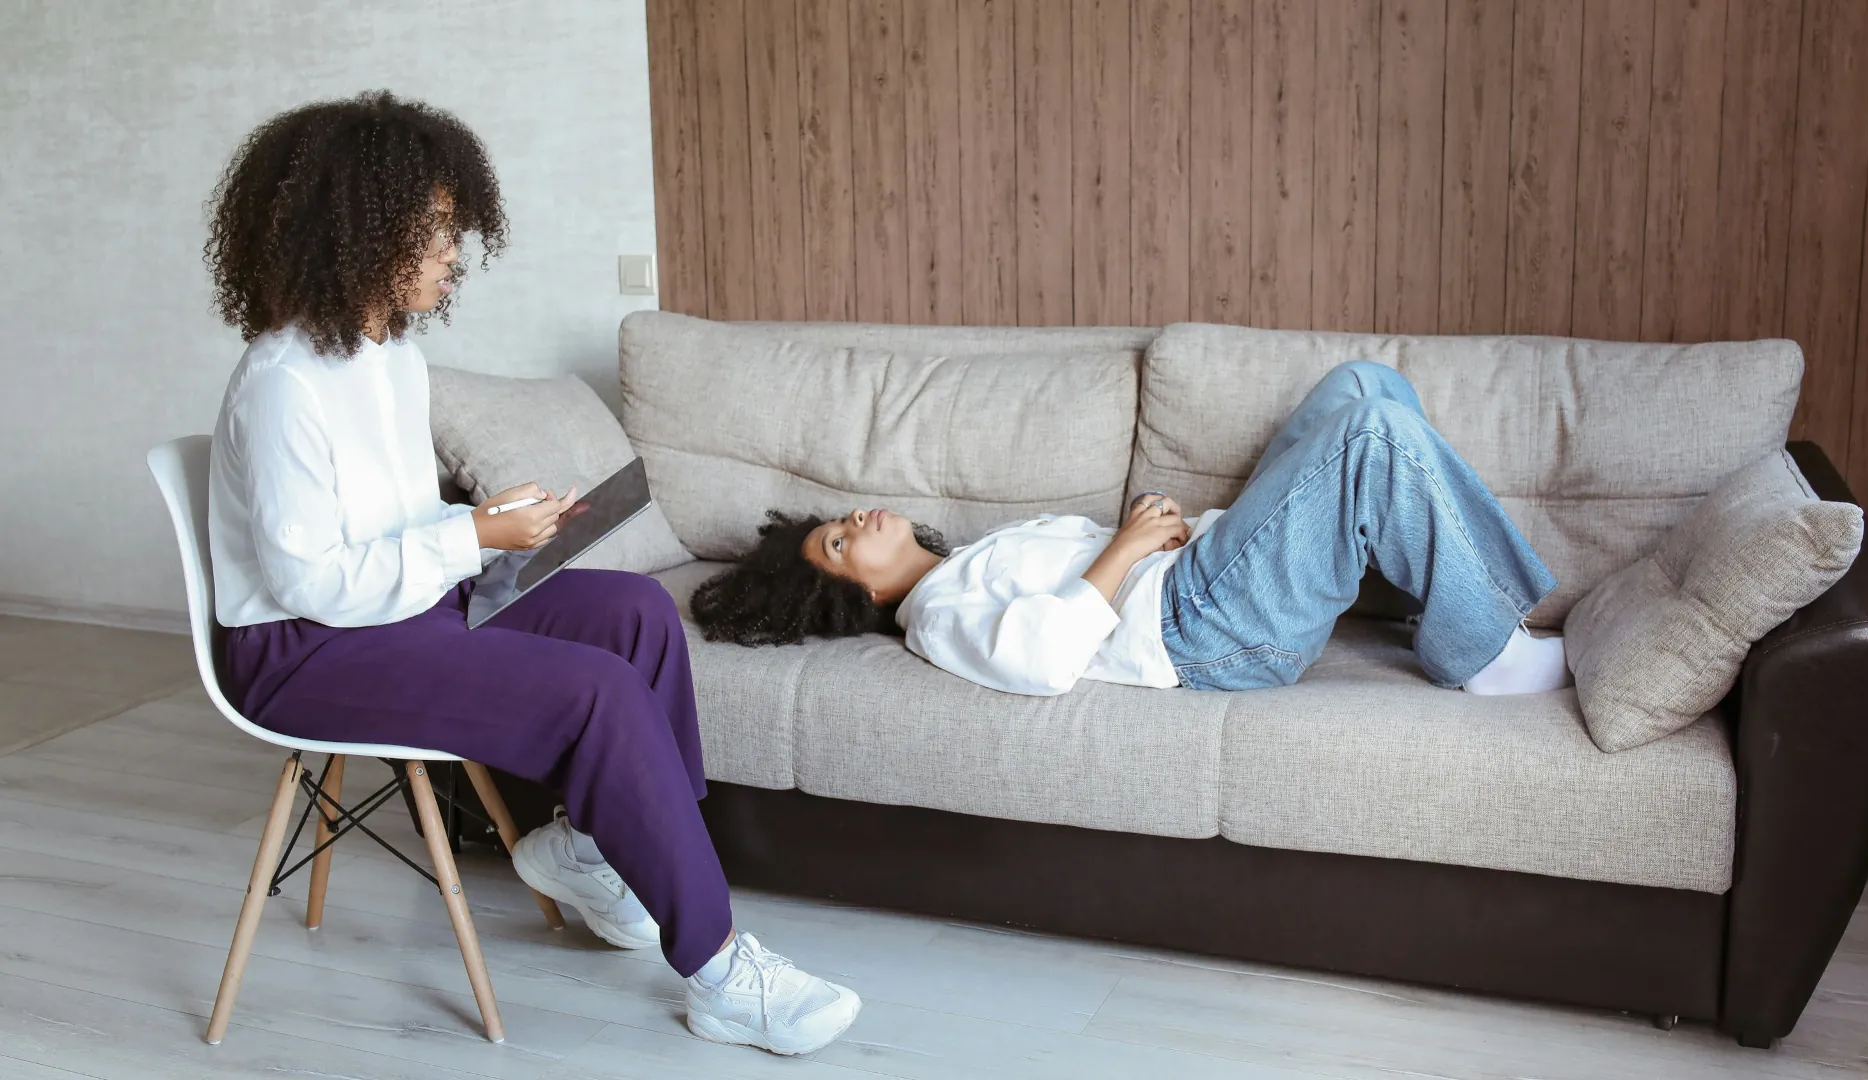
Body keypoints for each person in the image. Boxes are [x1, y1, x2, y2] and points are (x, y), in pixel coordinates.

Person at [204, 91, 859, 1056]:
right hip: (304, 650)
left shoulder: (388, 358)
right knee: (594, 693)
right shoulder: (283, 383)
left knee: (636, 611)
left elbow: (386, 527)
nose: (450, 253)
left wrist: (494, 525)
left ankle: (592, 848)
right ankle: (720, 970)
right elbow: (312, 585)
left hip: (402, 606)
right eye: (430, 232)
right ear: (356, 234)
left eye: (449, 229)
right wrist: (470, 538)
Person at [693, 360, 1571, 698]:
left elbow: (1090, 579)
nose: (855, 521)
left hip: (1202, 577)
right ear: (863, 594)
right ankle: (1483, 649)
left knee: (1361, 386)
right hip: (1202, 630)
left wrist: (1153, 535)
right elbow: (1040, 662)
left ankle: (1446, 598)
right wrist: (1125, 547)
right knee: (1369, 434)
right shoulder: (933, 615)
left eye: (840, 521)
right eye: (842, 546)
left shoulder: (970, 556)